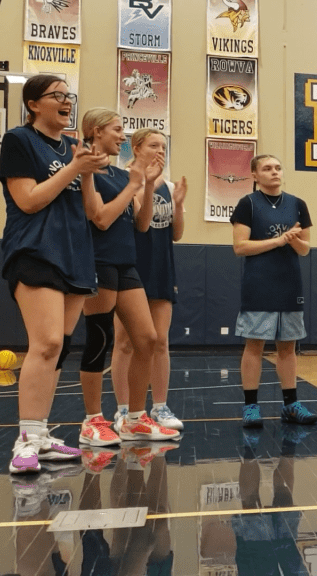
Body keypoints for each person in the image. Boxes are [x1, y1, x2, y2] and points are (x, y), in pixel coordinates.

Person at [0, 75, 103, 473]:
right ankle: (25, 441)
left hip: (76, 251)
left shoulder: (73, 146)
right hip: (36, 248)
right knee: (45, 343)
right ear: (33, 104)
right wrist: (74, 167)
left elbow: (92, 211)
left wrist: (86, 170)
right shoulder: (19, 140)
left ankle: (41, 436)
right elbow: (27, 200)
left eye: (68, 95)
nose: (66, 101)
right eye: (56, 95)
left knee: (57, 349)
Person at [77, 109, 176, 445]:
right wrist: (134, 183)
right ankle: (92, 421)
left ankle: (135, 419)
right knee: (100, 339)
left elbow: (143, 224)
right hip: (99, 262)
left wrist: (145, 186)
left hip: (126, 264)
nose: (122, 136)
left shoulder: (123, 176)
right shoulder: (86, 170)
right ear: (96, 131)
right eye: (117, 130)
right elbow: (101, 218)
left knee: (147, 339)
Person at [231, 154, 317, 427]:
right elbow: (240, 247)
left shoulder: (297, 204)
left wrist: (292, 240)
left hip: (290, 284)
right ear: (255, 175)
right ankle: (250, 407)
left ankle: (291, 405)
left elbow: (305, 249)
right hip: (259, 284)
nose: (274, 172)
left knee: (288, 347)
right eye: (267, 168)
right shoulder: (248, 204)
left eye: (278, 168)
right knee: (254, 345)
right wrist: (279, 240)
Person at [110, 129, 187, 434]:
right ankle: (124, 408)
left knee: (160, 341)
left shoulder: (168, 185)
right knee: (125, 342)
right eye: (154, 145)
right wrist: (146, 182)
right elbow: (138, 223)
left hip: (161, 266)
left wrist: (178, 204)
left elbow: (176, 234)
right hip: (131, 266)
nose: (160, 151)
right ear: (136, 147)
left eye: (164, 146)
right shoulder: (122, 180)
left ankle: (160, 406)